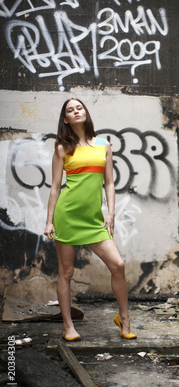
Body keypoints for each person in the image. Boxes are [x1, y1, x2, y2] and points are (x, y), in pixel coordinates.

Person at [44, 98, 136, 341]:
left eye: (79, 107)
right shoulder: (62, 148)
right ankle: (68, 326)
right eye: (70, 110)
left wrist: (111, 213)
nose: (76, 111)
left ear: (85, 112)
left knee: (118, 265)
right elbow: (55, 187)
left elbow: (109, 183)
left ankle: (124, 318)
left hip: (94, 219)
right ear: (65, 119)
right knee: (67, 272)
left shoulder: (104, 145)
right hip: (68, 216)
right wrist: (49, 221)